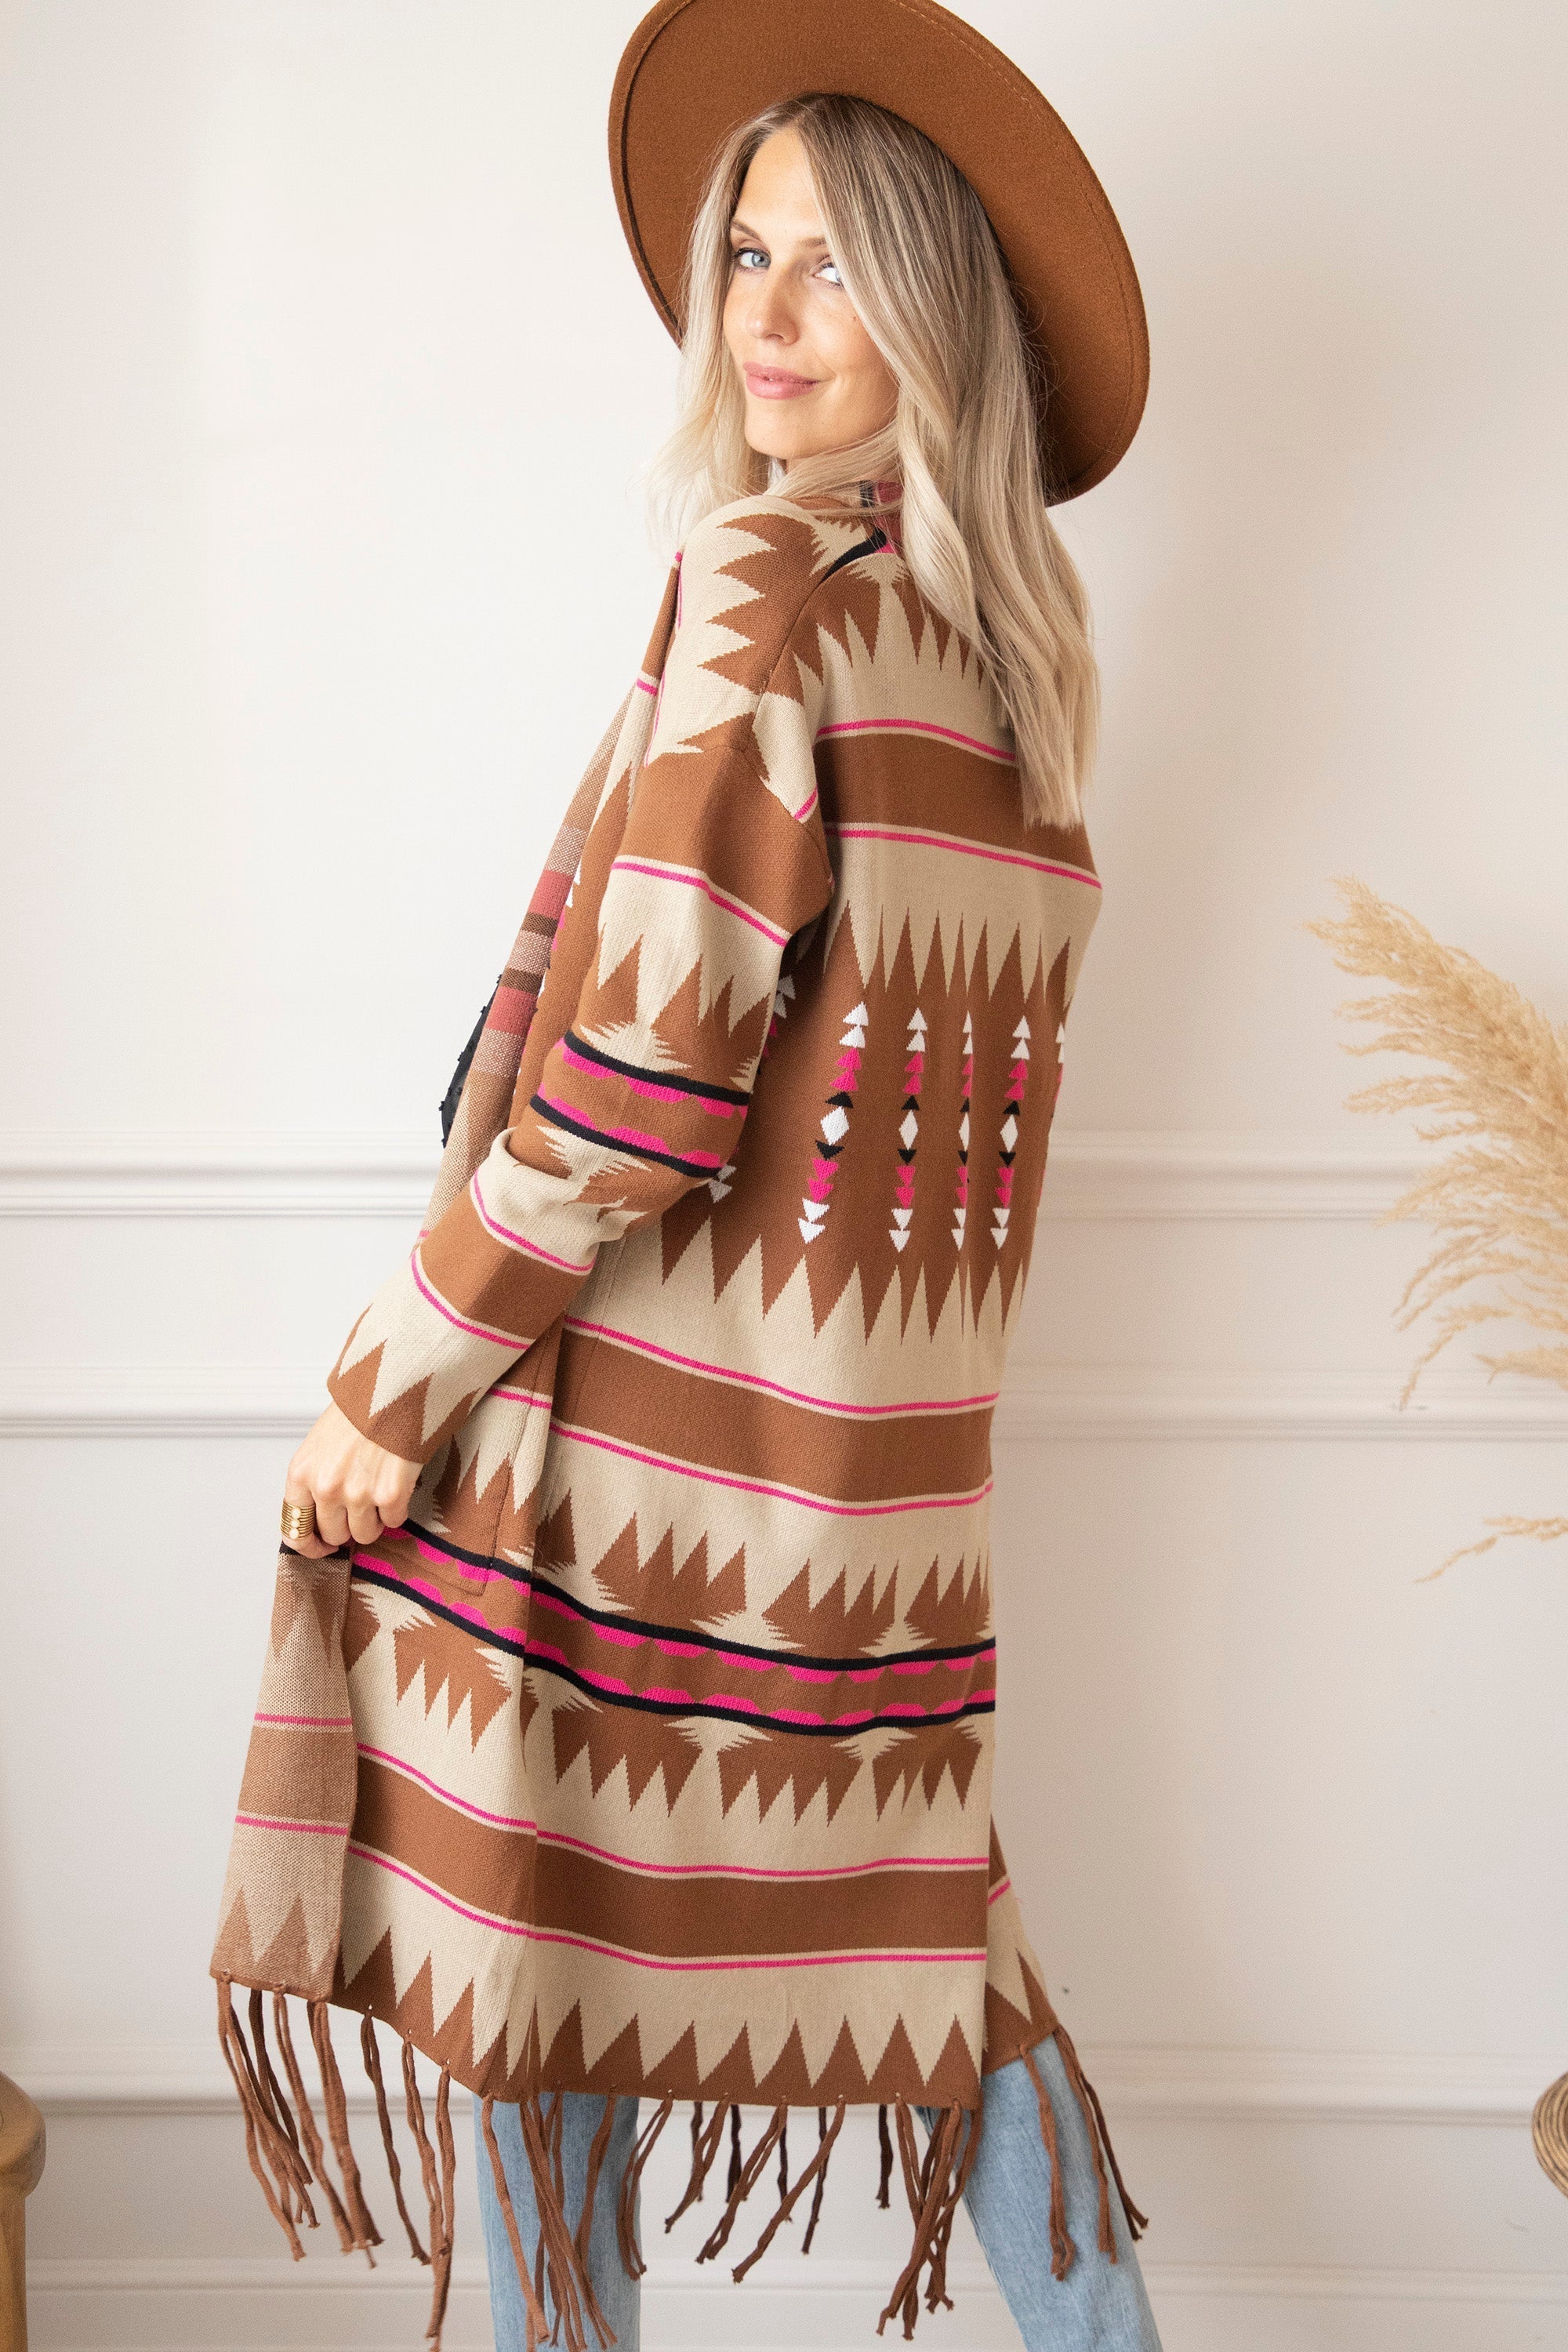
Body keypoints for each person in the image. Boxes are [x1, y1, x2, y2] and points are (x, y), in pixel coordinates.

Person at [234, 4, 1157, 2347]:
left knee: (533, 1957)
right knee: (952, 1964)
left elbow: (644, 1070)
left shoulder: (768, 588)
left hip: (650, 1476)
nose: (765, 313)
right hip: (871, 1511)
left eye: (835, 265)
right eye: (749, 252)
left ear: (936, 306)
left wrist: (395, 1372)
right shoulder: (1013, 672)